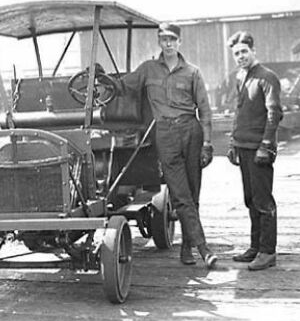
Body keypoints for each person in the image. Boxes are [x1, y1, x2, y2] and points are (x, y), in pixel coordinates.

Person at [119, 22, 218, 269]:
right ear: (159, 42)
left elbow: (204, 110)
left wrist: (207, 143)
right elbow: (123, 86)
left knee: (192, 193)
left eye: (173, 39)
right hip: (165, 134)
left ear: (179, 42)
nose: (169, 43)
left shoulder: (193, 72)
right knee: (179, 193)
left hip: (191, 131)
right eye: (164, 39)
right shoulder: (147, 69)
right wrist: (98, 77)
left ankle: (187, 246)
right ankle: (204, 249)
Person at [226, 31, 283, 271]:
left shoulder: (267, 77)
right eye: (236, 53)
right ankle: (255, 246)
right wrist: (233, 143)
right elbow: (240, 112)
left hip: (259, 150)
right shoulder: (241, 77)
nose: (240, 56)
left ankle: (267, 251)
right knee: (250, 199)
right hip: (244, 148)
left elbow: (274, 114)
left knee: (263, 200)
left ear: (253, 51)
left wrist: (265, 146)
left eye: (244, 52)